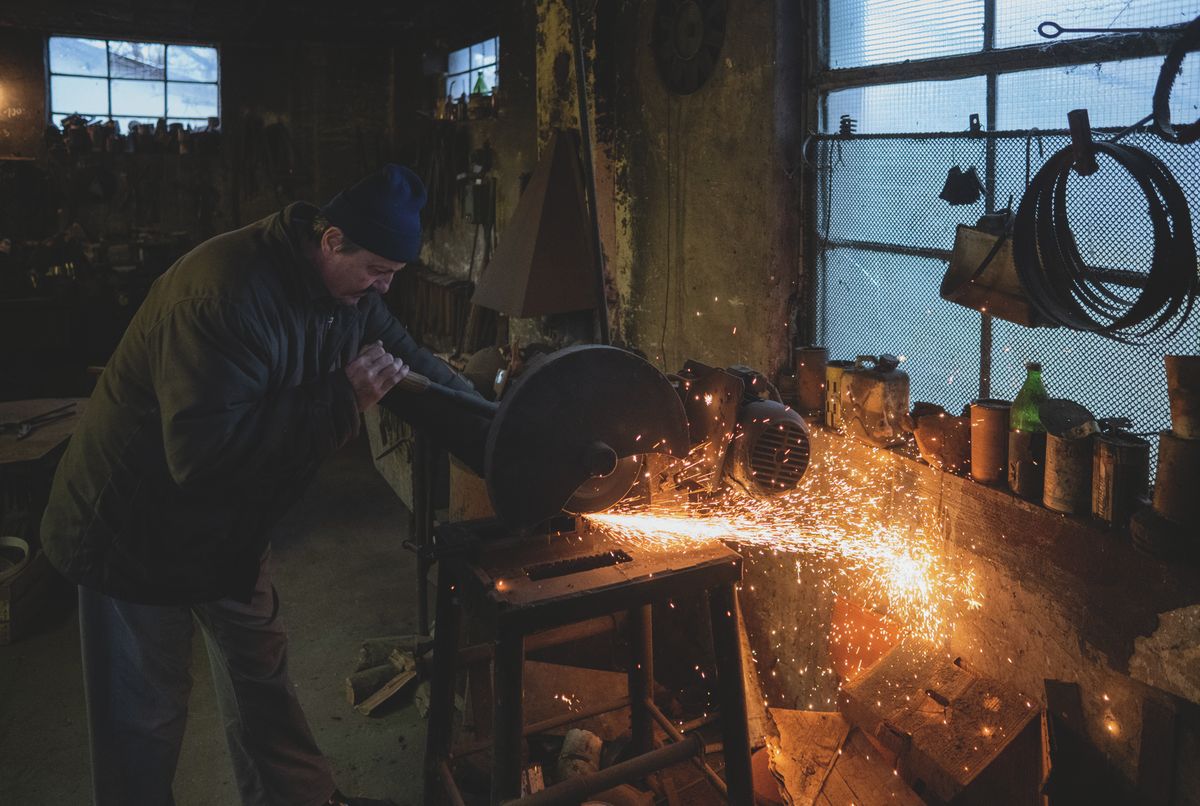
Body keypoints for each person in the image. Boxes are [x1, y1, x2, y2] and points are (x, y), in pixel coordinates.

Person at [41, 164, 488, 806]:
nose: (384, 290)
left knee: (262, 680)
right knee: (143, 715)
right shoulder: (224, 296)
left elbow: (416, 371)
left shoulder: (350, 299)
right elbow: (204, 459)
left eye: (394, 274)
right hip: (133, 530)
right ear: (331, 241)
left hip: (230, 527)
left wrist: (502, 434)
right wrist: (342, 397)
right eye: (377, 271)